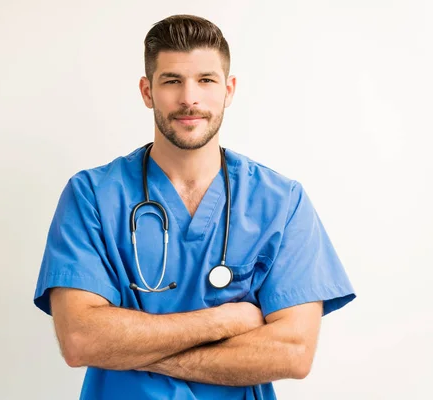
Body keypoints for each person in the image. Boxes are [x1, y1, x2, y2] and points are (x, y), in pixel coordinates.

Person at [33, 14, 356, 400]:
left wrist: (132, 349)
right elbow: (81, 338)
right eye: (172, 81)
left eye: (206, 80)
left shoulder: (280, 202)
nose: (190, 98)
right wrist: (225, 320)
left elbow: (293, 352)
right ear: (147, 91)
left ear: (229, 89)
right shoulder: (91, 196)